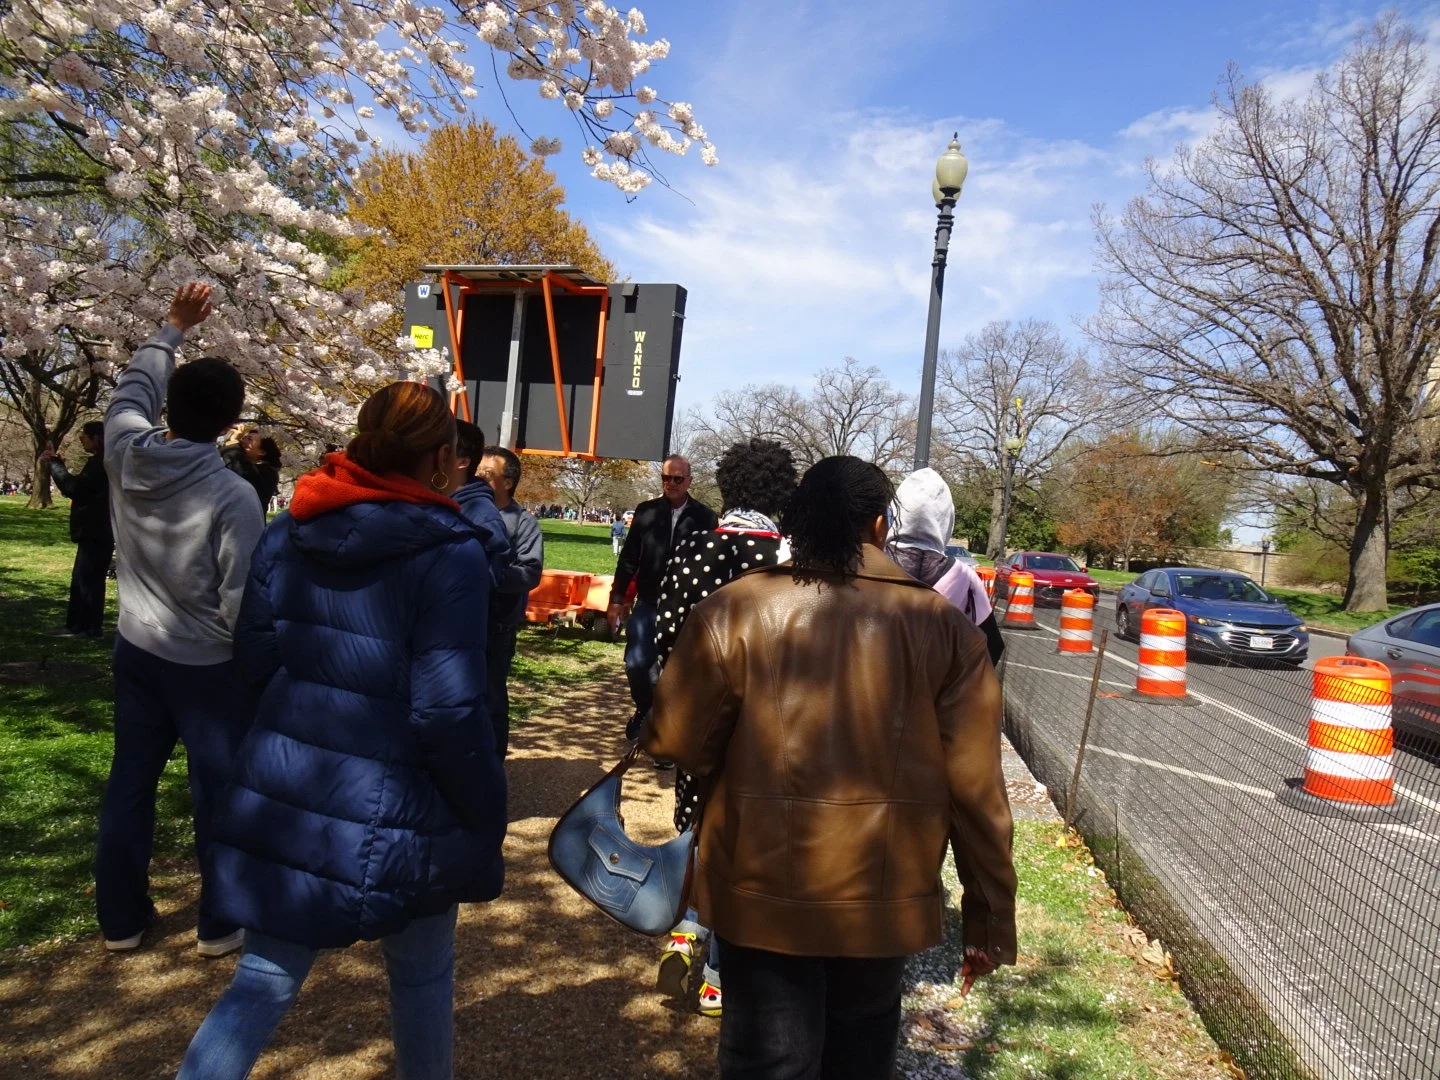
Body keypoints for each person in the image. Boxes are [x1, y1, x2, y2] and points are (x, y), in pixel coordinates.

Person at [643, 455, 1017, 1079]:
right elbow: (977, 789)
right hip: (883, 890)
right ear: (879, 527)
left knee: (767, 1057)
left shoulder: (733, 609)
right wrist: (987, 913)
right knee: (862, 1051)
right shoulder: (948, 630)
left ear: (797, 524)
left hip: (756, 883)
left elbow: (676, 741)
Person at [179, 381, 507, 1080]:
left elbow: (255, 656)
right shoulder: (451, 552)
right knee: (421, 979)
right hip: (412, 796)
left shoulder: (291, 530)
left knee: (263, 979)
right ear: (441, 460)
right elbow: (447, 710)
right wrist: (484, 807)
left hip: (292, 776)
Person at [97, 281, 265, 958]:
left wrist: (172, 329)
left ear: (168, 407)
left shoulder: (124, 453)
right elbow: (241, 598)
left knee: (129, 782)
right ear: (233, 424)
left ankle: (120, 919)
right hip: (207, 667)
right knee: (217, 792)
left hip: (137, 648)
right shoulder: (232, 495)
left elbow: (129, 393)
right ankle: (219, 919)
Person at [649, 438, 798, 1020]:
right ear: (782, 493)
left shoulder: (694, 550)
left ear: (727, 488)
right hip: (769, 732)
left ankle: (686, 928)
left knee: (697, 825)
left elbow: (664, 637)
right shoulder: (790, 560)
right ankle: (718, 975)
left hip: (702, 725)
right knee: (747, 846)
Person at [608, 455, 717, 740]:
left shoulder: (705, 517)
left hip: (686, 608)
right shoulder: (646, 512)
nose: (671, 483)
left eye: (677, 479)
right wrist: (617, 599)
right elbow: (629, 559)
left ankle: (668, 731)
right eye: (666, 478)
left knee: (674, 673)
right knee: (636, 663)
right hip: (648, 602)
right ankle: (647, 710)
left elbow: (711, 565)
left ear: (689, 481)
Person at [887, 467, 1005, 667]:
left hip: (871, 691)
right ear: (947, 519)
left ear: (896, 511)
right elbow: (992, 647)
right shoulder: (964, 578)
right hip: (936, 693)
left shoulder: (868, 563)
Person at [475, 445, 543, 758]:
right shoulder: (462, 509)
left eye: (487, 474)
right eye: (477, 470)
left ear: (507, 482)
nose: (477, 477)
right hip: (455, 623)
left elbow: (530, 572)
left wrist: (484, 575)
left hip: (496, 629)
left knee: (491, 701)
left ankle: (492, 767)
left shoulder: (522, 523)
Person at [40, 421, 113, 639]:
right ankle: (78, 625)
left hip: (96, 530)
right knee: (84, 577)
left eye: (85, 436)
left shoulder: (100, 464)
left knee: (88, 579)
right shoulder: (106, 463)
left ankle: (87, 627)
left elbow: (75, 489)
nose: (81, 439)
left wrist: (55, 465)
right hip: (100, 529)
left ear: (97, 438)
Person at [222, 429, 282, 512]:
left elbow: (244, 473)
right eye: (244, 437)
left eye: (249, 439)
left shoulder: (268, 474)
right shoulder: (236, 459)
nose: (242, 441)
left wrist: (232, 446)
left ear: (261, 452)